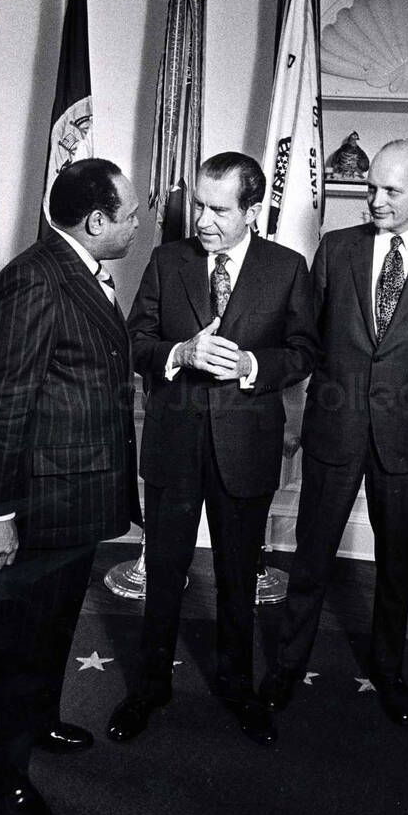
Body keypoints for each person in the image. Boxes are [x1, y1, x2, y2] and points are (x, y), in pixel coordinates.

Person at [260, 139, 408, 727]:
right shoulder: (336, 250)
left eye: (392, 189)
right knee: (310, 558)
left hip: (407, 438)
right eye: (371, 187)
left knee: (397, 563)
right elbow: (307, 336)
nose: (375, 199)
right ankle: (285, 668)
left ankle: (389, 671)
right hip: (335, 428)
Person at [107, 151, 317, 748]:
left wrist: (252, 365)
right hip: (174, 448)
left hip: (246, 448)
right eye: (199, 203)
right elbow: (135, 342)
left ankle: (236, 685)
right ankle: (149, 687)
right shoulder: (167, 260)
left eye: (218, 209)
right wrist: (180, 354)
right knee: (163, 574)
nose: (202, 218)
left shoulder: (287, 268)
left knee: (235, 577)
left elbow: (304, 351)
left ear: (252, 210)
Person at [0, 158, 142, 815]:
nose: (135, 222)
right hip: (36, 507)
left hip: (75, 502)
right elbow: (1, 404)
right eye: (128, 214)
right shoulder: (34, 281)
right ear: (94, 221)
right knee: (16, 647)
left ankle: (38, 724)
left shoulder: (78, 273)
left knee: (51, 632)